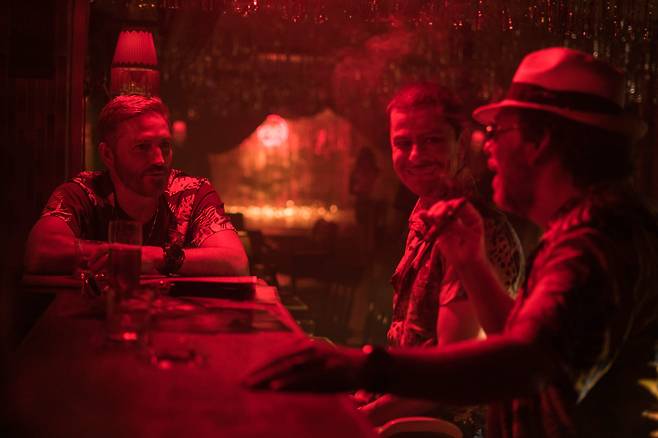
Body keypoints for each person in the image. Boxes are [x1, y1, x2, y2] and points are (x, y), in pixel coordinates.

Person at [244, 47, 658, 438]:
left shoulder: (597, 237)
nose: (488, 146)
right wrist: (473, 265)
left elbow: (525, 364)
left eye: (498, 131)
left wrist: (362, 366)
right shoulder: (585, 226)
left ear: (540, 141)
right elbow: (525, 340)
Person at [354, 83, 524, 434]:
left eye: (432, 140)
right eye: (403, 143)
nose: (416, 155)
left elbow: (450, 377)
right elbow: (418, 348)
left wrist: (358, 419)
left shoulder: (473, 226)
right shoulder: (426, 213)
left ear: (460, 144)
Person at [25, 94, 248, 277]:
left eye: (164, 146)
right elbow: (39, 252)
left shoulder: (191, 193)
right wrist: (125, 257)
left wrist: (154, 258)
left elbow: (236, 262)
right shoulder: (84, 193)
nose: (159, 160)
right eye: (142, 147)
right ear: (108, 154)